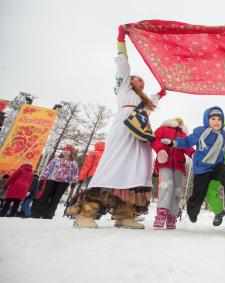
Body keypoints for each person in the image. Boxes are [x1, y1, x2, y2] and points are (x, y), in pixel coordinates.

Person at [66, 26, 165, 229]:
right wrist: (121, 38)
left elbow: (155, 98)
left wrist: (164, 91)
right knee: (115, 166)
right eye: (138, 79)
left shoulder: (144, 101)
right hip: (123, 129)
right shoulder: (123, 89)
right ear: (129, 81)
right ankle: (87, 213)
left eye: (143, 82)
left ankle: (124, 214)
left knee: (138, 171)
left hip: (141, 134)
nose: (141, 82)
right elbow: (123, 65)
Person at [161, 107, 225, 225]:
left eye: (219, 119)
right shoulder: (200, 131)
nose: (217, 121)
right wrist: (174, 142)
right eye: (213, 119)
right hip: (202, 168)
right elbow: (188, 141)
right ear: (207, 120)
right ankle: (192, 212)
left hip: (216, 167)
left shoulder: (223, 134)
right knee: (199, 194)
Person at [150, 117, 194, 229]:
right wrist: (160, 149)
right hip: (165, 162)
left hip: (179, 165)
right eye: (177, 121)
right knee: (165, 186)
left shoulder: (183, 135)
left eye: (181, 122)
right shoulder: (163, 129)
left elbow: (187, 147)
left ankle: (172, 216)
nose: (179, 123)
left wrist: (194, 154)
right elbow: (154, 139)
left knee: (177, 190)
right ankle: (161, 214)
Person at [32, 146, 78, 219]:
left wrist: (74, 182)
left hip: (64, 182)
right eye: (64, 150)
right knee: (45, 197)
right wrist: (43, 177)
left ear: (70, 152)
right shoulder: (56, 159)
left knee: (55, 199)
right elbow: (48, 167)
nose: (65, 151)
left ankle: (48, 216)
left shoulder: (73, 163)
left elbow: (75, 173)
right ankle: (36, 215)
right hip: (52, 180)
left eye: (68, 150)